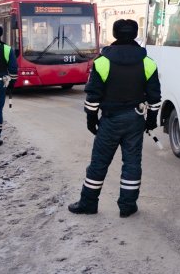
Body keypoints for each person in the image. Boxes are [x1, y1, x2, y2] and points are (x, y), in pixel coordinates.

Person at [69, 19, 161, 218]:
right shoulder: (148, 62)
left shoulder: (102, 62)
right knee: (132, 164)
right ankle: (127, 206)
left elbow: (93, 97)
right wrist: (151, 120)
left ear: (114, 34)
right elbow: (155, 98)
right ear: (135, 34)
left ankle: (88, 203)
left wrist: (91, 119)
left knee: (99, 163)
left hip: (110, 120)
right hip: (135, 119)